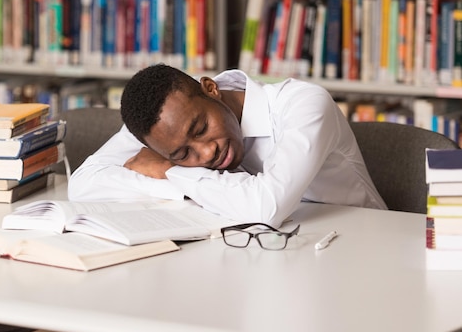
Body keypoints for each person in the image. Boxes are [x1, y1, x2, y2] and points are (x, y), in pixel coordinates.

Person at [68, 64, 386, 228]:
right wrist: (183, 182)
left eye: (202, 129)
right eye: (182, 154)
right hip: (270, 252)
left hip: (358, 248)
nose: (206, 153)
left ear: (211, 89)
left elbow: (265, 208)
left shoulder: (303, 104)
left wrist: (171, 171)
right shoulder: (162, 124)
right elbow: (83, 184)